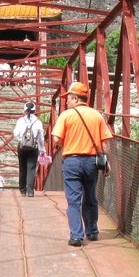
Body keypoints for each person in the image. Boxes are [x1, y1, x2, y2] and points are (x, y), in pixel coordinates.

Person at [50, 81, 113, 246]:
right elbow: (105, 143)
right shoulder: (97, 116)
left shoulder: (66, 115)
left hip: (72, 161)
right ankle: (92, 231)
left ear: (76, 99)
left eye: (69, 99)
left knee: (73, 200)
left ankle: (77, 236)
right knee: (90, 196)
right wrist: (106, 162)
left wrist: (64, 142)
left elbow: (56, 139)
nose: (67, 102)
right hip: (92, 161)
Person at [12, 101, 45, 197]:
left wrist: (20, 140)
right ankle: (30, 191)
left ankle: (23, 190)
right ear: (35, 111)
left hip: (22, 147)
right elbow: (41, 138)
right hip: (33, 147)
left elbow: (15, 134)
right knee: (31, 168)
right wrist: (42, 150)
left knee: (22, 167)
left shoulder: (20, 120)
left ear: (24, 110)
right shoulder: (38, 122)